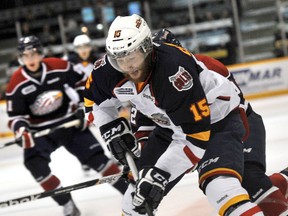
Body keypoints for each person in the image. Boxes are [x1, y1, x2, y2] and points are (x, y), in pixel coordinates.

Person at [83, 14, 265, 215]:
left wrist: (160, 175)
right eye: (120, 60)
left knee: (221, 189)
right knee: (136, 199)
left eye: (132, 58)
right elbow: (94, 102)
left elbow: (195, 137)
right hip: (170, 127)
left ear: (147, 48)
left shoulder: (174, 72)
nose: (128, 67)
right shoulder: (106, 70)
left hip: (215, 124)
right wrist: (110, 128)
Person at [151, 28, 288, 215]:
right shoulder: (150, 83)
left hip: (240, 124)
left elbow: (233, 109)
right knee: (239, 185)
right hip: (209, 136)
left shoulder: (205, 65)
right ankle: (283, 180)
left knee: (249, 180)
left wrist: (195, 149)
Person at [5, 35, 128, 216]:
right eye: (25, 55)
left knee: (99, 160)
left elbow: (81, 83)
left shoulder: (58, 66)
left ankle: (129, 193)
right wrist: (21, 129)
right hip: (40, 132)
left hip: (69, 123)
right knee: (34, 164)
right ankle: (66, 202)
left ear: (40, 53)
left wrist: (81, 107)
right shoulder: (16, 83)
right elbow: (15, 115)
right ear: (20, 58)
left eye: (33, 53)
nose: (30, 59)